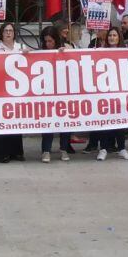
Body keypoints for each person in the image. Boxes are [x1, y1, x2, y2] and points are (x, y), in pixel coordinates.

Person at [37, 26, 79, 162]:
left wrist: (66, 53)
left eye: (50, 41)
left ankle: (64, 148)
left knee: (64, 122)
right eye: (46, 41)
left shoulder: (66, 47)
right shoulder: (42, 51)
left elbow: (76, 60)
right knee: (48, 122)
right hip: (48, 92)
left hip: (63, 91)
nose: (48, 44)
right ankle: (46, 150)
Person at [95, 26, 128, 161]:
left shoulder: (126, 51)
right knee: (105, 122)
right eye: (110, 35)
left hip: (120, 92)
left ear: (119, 38)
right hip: (104, 93)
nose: (112, 38)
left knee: (120, 121)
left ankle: (122, 148)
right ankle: (103, 149)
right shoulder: (100, 51)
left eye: (115, 35)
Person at [0, 22, 27, 163]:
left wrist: (27, 53)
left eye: (11, 30)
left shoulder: (20, 47)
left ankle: (16, 152)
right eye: (5, 30)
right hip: (0, 90)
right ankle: (0, 153)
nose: (8, 33)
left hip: (16, 90)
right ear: (1, 33)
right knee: (0, 121)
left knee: (15, 120)